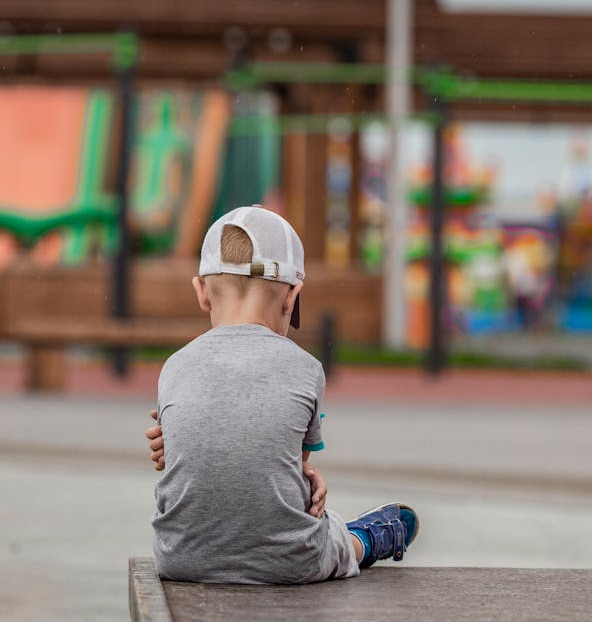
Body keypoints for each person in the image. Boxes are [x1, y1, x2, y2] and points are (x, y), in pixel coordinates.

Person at [142, 205, 418, 584]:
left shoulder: (174, 366)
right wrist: (305, 478)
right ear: (292, 297)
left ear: (202, 292)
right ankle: (362, 540)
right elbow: (290, 459)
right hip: (289, 562)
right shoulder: (306, 368)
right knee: (332, 537)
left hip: (179, 557)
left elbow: (190, 455)